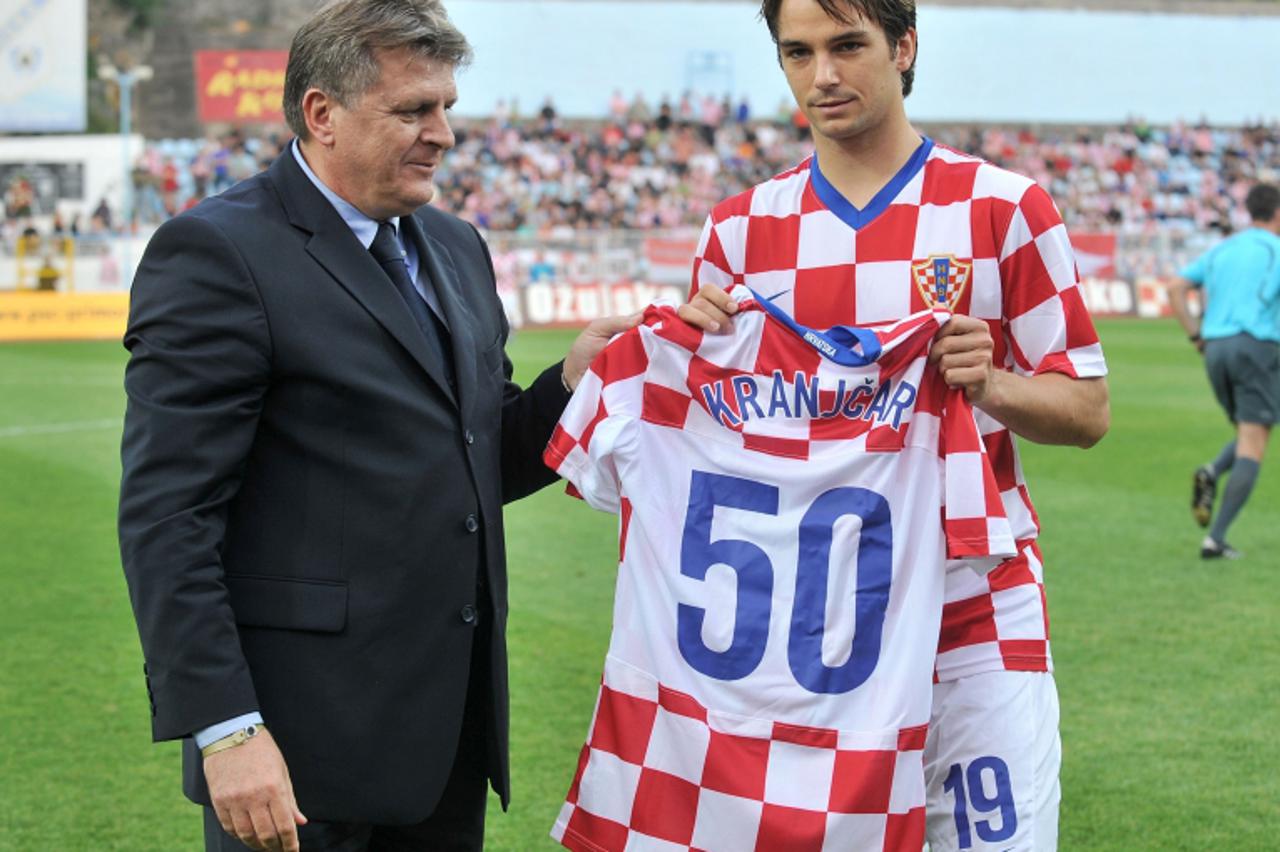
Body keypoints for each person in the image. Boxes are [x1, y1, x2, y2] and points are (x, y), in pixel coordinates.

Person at [117, 2, 636, 851]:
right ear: (322, 113)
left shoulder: (454, 244)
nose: (443, 134)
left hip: (445, 737)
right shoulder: (218, 253)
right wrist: (226, 730)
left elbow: (475, 458)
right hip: (298, 754)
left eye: (446, 109)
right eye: (413, 110)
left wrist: (571, 381)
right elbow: (169, 518)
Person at [678, 0, 1110, 849]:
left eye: (848, 46)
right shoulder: (740, 230)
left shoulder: (1003, 206)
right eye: (798, 53)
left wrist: (993, 386)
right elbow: (713, 432)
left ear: (903, 47)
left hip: (974, 605)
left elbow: (1088, 410)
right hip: (812, 631)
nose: (823, 76)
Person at [1168, 182, 1280, 559]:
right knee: (1254, 440)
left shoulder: (1223, 248)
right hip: (1256, 346)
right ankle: (1215, 539)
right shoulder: (1275, 250)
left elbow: (1175, 288)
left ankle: (1214, 471)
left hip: (1215, 349)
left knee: (1254, 428)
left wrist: (1196, 338)